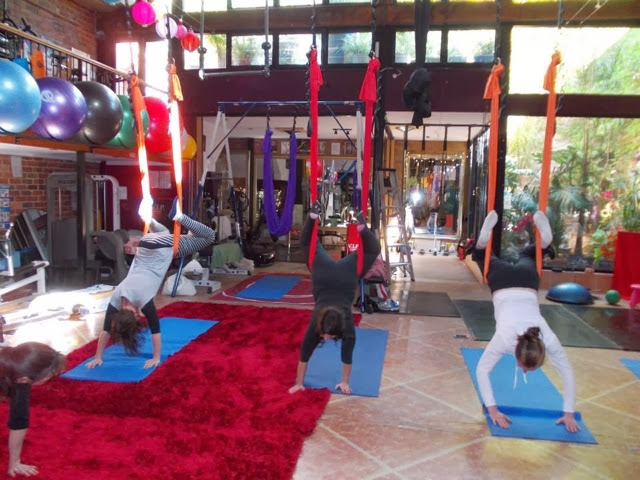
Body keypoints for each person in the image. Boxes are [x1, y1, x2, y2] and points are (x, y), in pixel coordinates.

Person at [473, 210, 579, 433]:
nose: (524, 370)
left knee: (528, 255)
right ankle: (483, 243)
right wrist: (493, 411)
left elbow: (568, 372)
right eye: (524, 367)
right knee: (483, 256)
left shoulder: (546, 337)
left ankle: (544, 243)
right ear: (518, 355)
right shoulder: (505, 339)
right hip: (501, 283)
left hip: (527, 281)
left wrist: (569, 413)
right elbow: (481, 370)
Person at [86, 198, 215, 370]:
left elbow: (155, 331)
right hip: (145, 243)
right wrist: (97, 356)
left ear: (136, 316)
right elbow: (105, 331)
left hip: (163, 248)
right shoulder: (116, 298)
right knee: (169, 233)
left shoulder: (144, 301)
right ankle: (149, 220)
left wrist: (156, 358)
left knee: (208, 236)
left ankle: (179, 216)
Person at [289, 200, 381, 395]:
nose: (325, 338)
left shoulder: (346, 326)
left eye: (328, 336)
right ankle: (359, 227)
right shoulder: (317, 323)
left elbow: (345, 353)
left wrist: (345, 382)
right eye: (326, 334)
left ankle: (313, 216)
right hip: (334, 275)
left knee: (307, 244)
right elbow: (304, 352)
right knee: (372, 250)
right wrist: (299, 383)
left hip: (335, 275)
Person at [0, 342, 66, 477]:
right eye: (50, 375)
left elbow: (19, 420)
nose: (51, 377)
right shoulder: (21, 376)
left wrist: (15, 462)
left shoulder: (21, 378)